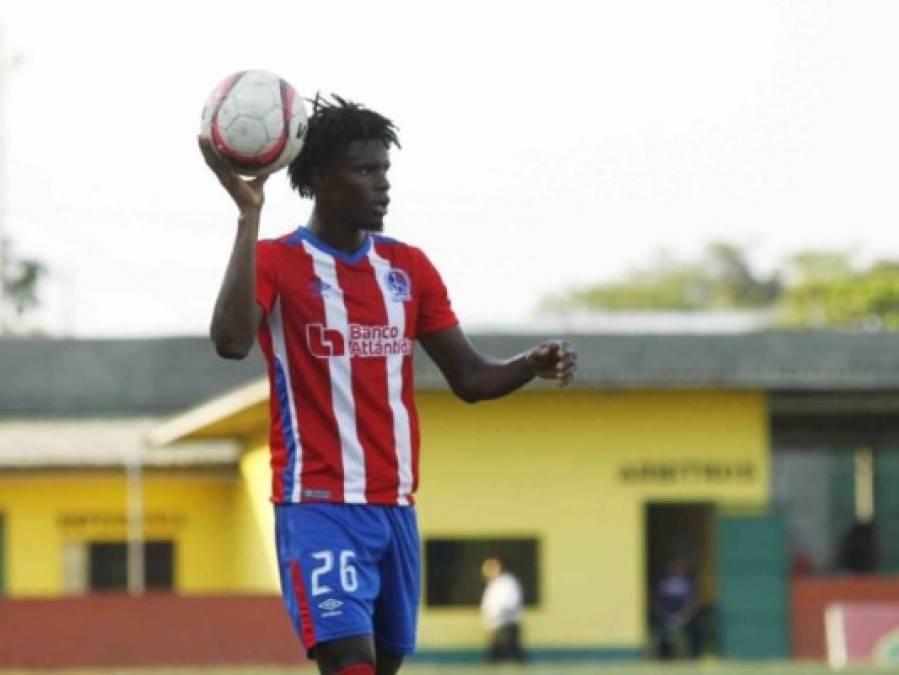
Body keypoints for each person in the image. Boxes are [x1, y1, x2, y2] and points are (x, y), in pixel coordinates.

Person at [198, 94, 577, 675]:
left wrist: (528, 363)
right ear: (321, 177)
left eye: (385, 171)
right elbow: (230, 342)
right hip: (317, 504)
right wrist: (249, 218)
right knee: (351, 662)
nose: (383, 185)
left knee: (384, 664)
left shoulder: (408, 269)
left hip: (395, 509)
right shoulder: (277, 262)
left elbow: (470, 378)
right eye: (365, 170)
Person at [650, 557, 703, 660]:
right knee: (662, 627)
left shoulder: (689, 581)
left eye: (680, 566)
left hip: (685, 614)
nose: (677, 568)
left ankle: (694, 655)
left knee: (698, 626)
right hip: (665, 613)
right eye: (674, 565)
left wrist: (683, 617)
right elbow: (655, 600)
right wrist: (667, 616)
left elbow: (694, 601)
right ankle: (665, 657)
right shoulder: (662, 580)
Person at [480, 557, 525, 662]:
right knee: (505, 656)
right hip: (497, 627)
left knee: (508, 656)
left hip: (506, 626)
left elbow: (510, 603)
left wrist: (498, 614)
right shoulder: (493, 585)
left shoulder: (506, 583)